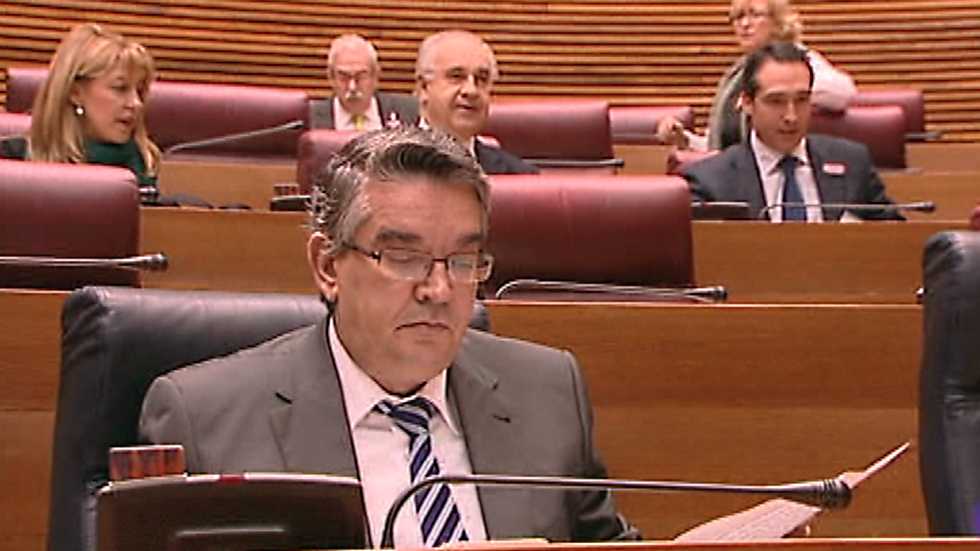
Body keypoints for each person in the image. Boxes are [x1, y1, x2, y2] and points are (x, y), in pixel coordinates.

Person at [139, 126, 638, 547]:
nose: (439, 290)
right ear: (327, 265)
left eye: (462, 261)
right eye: (403, 258)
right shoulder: (205, 423)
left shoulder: (549, 394)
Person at [683, 42, 902, 222]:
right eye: (776, 101)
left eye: (801, 100)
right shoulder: (709, 181)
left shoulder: (852, 163)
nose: (791, 116)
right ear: (747, 103)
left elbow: (894, 238)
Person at [658, 0, 856, 151]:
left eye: (755, 15)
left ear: (777, 21)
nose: (745, 24)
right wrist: (685, 140)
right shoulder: (736, 75)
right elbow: (721, 144)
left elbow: (842, 93)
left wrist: (779, 88)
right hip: (734, 174)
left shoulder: (797, 59)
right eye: (738, 17)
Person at [0, 23, 160, 188]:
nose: (135, 103)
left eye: (139, 91)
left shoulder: (145, 167)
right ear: (75, 93)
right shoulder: (10, 162)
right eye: (120, 88)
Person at [414, 30, 538, 174]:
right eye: (456, 76)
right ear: (424, 87)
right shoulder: (392, 167)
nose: (471, 90)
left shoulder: (519, 176)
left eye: (482, 79)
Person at [309, 34, 419, 130]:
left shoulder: (408, 112)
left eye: (361, 76)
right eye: (343, 77)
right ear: (331, 77)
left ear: (375, 75)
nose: (352, 87)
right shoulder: (309, 119)